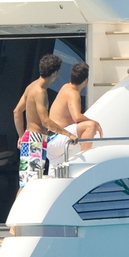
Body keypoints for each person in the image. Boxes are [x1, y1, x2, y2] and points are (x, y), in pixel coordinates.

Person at [13, 54, 78, 189]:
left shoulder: (31, 86)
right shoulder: (40, 92)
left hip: (32, 138)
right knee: (28, 184)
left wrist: (21, 136)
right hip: (35, 140)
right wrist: (69, 134)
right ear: (54, 73)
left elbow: (17, 112)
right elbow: (46, 122)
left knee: (29, 181)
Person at [47, 62, 103, 170]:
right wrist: (95, 123)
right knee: (90, 126)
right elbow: (77, 117)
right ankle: (84, 163)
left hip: (52, 142)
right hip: (57, 139)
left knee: (57, 176)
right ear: (86, 80)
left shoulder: (65, 87)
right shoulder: (73, 93)